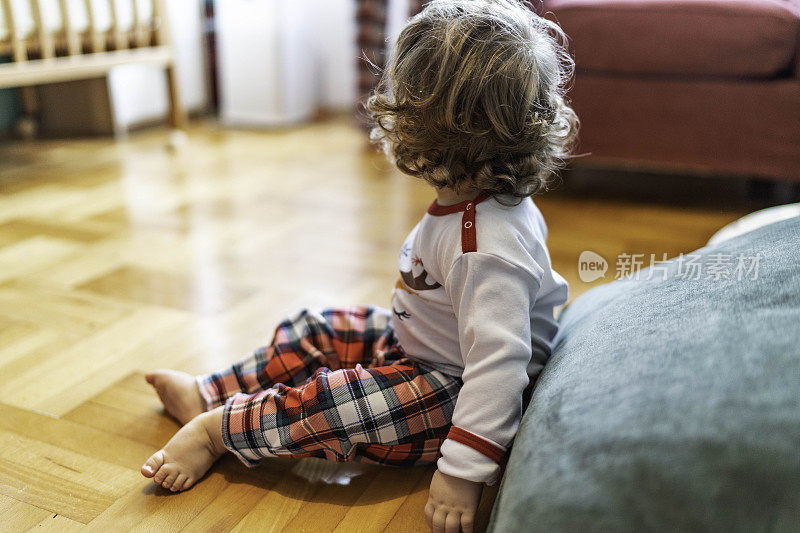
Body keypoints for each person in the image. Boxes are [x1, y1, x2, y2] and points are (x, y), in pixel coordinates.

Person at [141, 1, 577, 531]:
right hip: (430, 347)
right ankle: (211, 391)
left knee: (335, 404)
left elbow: (498, 366)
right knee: (319, 327)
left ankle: (220, 430)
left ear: (430, 126)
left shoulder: (482, 244)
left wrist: (463, 472)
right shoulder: (479, 196)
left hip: (459, 394)